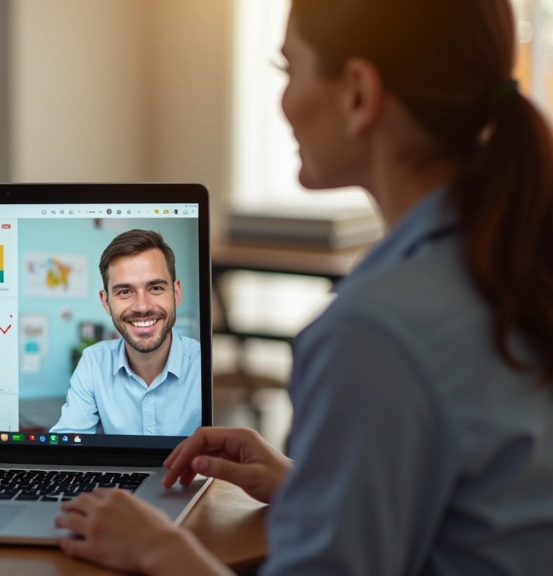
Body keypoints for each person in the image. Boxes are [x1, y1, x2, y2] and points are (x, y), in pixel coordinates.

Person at [54, 0, 553, 574]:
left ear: (359, 93)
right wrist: (313, 486)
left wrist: (157, 548)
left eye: (288, 70)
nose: (284, 102)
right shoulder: (509, 263)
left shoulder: (373, 334)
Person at [50, 230, 202, 436]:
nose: (141, 306)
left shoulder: (203, 365)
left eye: (155, 288)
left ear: (176, 294)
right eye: (125, 292)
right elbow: (66, 444)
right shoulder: (94, 362)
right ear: (106, 302)